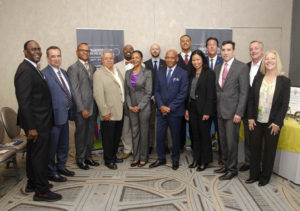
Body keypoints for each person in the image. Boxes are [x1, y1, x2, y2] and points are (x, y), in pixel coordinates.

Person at [14, 40, 62, 201]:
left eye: (38, 49)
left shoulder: (33, 68)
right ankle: (41, 191)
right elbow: (24, 102)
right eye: (33, 49)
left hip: (40, 121)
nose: (37, 51)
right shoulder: (25, 70)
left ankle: (33, 183)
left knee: (33, 155)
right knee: (40, 156)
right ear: (25, 52)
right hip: (37, 123)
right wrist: (31, 128)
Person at [246, 50, 291, 186]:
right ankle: (254, 175)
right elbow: (252, 100)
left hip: (273, 123)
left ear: (277, 61)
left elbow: (284, 105)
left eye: (272, 58)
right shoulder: (258, 78)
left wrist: (278, 122)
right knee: (254, 149)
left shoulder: (284, 81)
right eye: (267, 59)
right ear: (263, 62)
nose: (269, 61)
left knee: (269, 151)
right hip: (257, 121)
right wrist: (250, 117)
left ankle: (265, 177)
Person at [214, 41, 249, 180]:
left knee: (232, 142)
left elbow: (244, 92)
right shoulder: (218, 68)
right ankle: (226, 164)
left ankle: (232, 169)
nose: (225, 52)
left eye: (228, 49)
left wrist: (239, 113)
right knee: (223, 141)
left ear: (234, 51)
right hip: (220, 111)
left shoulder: (241, 67)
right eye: (223, 50)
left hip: (233, 113)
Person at [149, 50, 188, 170]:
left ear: (176, 59)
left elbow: (183, 93)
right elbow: (156, 91)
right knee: (160, 135)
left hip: (175, 112)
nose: (169, 60)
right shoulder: (160, 73)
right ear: (165, 58)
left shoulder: (183, 73)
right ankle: (161, 158)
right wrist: (161, 106)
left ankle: (175, 159)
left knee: (175, 137)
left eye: (172, 57)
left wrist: (170, 107)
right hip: (161, 111)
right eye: (167, 57)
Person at [42, 46, 76, 182]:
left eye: (58, 56)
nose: (56, 59)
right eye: (53, 56)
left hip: (65, 114)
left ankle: (61, 166)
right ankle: (51, 171)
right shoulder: (44, 74)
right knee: (52, 146)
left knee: (64, 144)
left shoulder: (63, 72)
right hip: (53, 118)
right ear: (48, 58)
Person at [67, 43, 99, 170]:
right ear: (77, 52)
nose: (85, 52)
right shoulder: (73, 68)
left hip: (93, 108)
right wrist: (82, 109)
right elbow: (75, 91)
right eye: (82, 50)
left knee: (90, 134)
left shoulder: (92, 67)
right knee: (81, 135)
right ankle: (80, 159)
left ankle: (88, 157)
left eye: (87, 51)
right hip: (82, 109)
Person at [185, 50, 216, 171]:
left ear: (202, 59)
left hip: (204, 109)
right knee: (195, 135)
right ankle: (196, 159)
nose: (196, 62)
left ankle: (205, 160)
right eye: (193, 60)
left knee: (204, 135)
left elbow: (211, 94)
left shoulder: (209, 73)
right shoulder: (191, 73)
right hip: (192, 107)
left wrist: (208, 112)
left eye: (198, 59)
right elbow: (188, 93)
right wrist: (187, 109)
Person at [93, 51, 124, 170]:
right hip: (109, 113)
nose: (109, 60)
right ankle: (108, 159)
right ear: (102, 60)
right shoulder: (99, 74)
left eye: (111, 58)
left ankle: (113, 156)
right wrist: (104, 112)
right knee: (108, 138)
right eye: (106, 58)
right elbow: (98, 95)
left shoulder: (116, 70)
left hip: (119, 110)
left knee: (116, 137)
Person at [240, 40, 264, 172]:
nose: (253, 51)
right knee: (248, 138)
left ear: (262, 51)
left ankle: (259, 164)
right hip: (246, 109)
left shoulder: (267, 67)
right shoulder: (245, 67)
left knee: (260, 139)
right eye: (251, 49)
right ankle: (248, 162)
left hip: (261, 109)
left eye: (256, 48)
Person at [125, 50, 152, 167]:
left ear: (141, 59)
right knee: (135, 132)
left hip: (144, 107)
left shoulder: (147, 72)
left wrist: (139, 106)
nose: (135, 59)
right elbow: (127, 92)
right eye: (133, 58)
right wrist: (130, 105)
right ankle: (135, 157)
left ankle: (143, 157)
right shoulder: (127, 73)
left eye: (137, 57)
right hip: (131, 108)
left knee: (144, 132)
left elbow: (148, 92)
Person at [144, 43, 167, 154]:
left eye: (157, 49)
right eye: (153, 49)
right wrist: (152, 96)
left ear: (160, 50)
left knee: (165, 123)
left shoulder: (166, 63)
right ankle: (150, 145)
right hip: (150, 99)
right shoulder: (145, 64)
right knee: (151, 123)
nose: (155, 50)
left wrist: (160, 97)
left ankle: (165, 145)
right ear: (150, 50)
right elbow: (145, 83)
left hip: (164, 99)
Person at [205, 37, 223, 166]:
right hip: (205, 103)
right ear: (206, 48)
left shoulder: (224, 61)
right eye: (209, 45)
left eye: (214, 45)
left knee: (220, 131)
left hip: (219, 103)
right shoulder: (201, 61)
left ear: (218, 48)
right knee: (204, 131)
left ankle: (222, 155)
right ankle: (205, 155)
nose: (211, 47)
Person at [115, 44, 134, 159]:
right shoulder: (116, 66)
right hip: (122, 102)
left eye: (130, 49)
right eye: (126, 49)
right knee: (125, 128)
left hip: (136, 102)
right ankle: (127, 149)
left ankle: (136, 149)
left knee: (137, 128)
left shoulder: (140, 65)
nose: (128, 51)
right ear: (123, 52)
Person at [177, 35, 193, 151]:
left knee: (193, 123)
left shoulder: (196, 57)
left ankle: (194, 146)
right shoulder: (176, 58)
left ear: (190, 43)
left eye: (187, 41)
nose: (185, 43)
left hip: (193, 96)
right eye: (183, 41)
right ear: (180, 43)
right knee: (180, 123)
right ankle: (181, 146)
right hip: (179, 96)